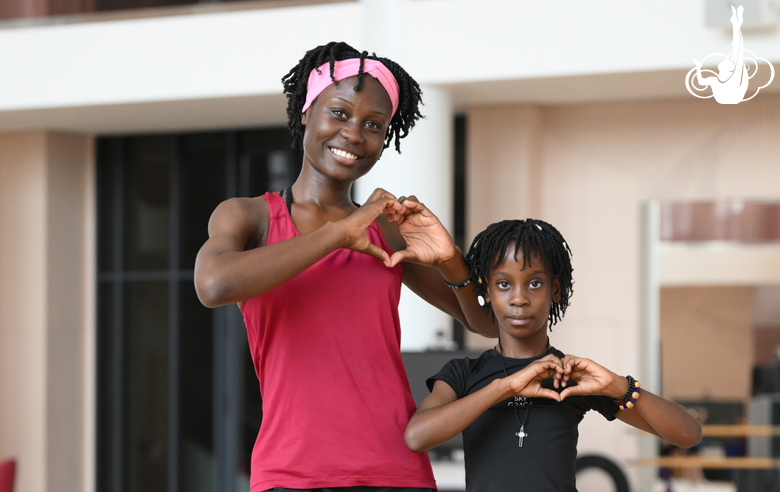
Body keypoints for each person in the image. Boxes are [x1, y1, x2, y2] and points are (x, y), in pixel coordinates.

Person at [193, 41, 497, 492]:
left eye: (373, 125)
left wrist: (451, 259)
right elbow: (213, 285)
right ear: (305, 112)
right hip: (293, 472)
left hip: (397, 471)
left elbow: (486, 322)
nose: (354, 134)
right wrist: (339, 233)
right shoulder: (250, 217)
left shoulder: (387, 230)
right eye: (339, 113)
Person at [404, 219, 703, 491]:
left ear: (555, 291)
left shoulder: (571, 377)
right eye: (504, 284)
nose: (519, 298)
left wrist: (617, 386)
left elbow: (688, 434)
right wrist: (504, 387)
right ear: (489, 292)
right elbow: (417, 436)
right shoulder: (463, 374)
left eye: (535, 283)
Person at [692, 5, 748, 104]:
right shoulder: (717, 80)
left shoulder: (728, 78)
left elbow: (737, 47)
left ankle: (736, 24)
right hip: (729, 97)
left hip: (731, 97)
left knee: (737, 51)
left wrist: (698, 68)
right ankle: (736, 23)